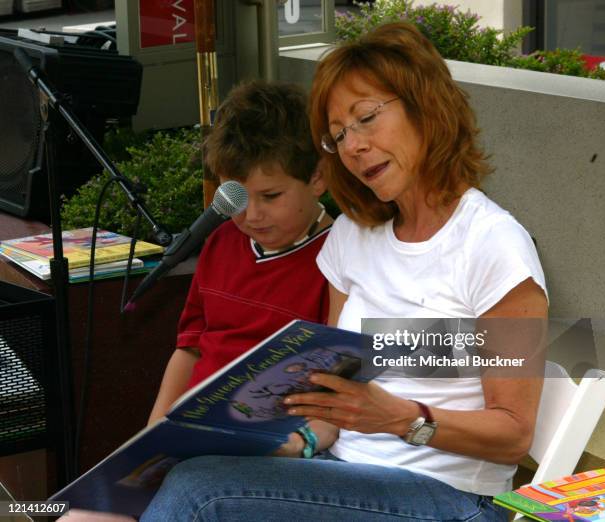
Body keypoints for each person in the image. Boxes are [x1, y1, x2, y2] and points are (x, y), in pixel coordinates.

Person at [141, 22, 548, 522]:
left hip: (448, 496)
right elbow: (330, 395)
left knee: (200, 492)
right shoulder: (354, 237)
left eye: (366, 118)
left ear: (426, 107)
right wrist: (285, 441)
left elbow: (513, 436)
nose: (353, 146)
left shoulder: (492, 244)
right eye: (338, 135)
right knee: (191, 469)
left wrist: (405, 420)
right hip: (338, 472)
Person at [59, 80, 333, 521]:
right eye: (237, 198)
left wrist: (302, 442)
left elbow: (344, 383)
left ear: (317, 177)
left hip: (272, 450)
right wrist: (150, 440)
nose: (251, 215)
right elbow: (190, 348)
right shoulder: (222, 241)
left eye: (271, 196)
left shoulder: (335, 260)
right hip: (192, 440)